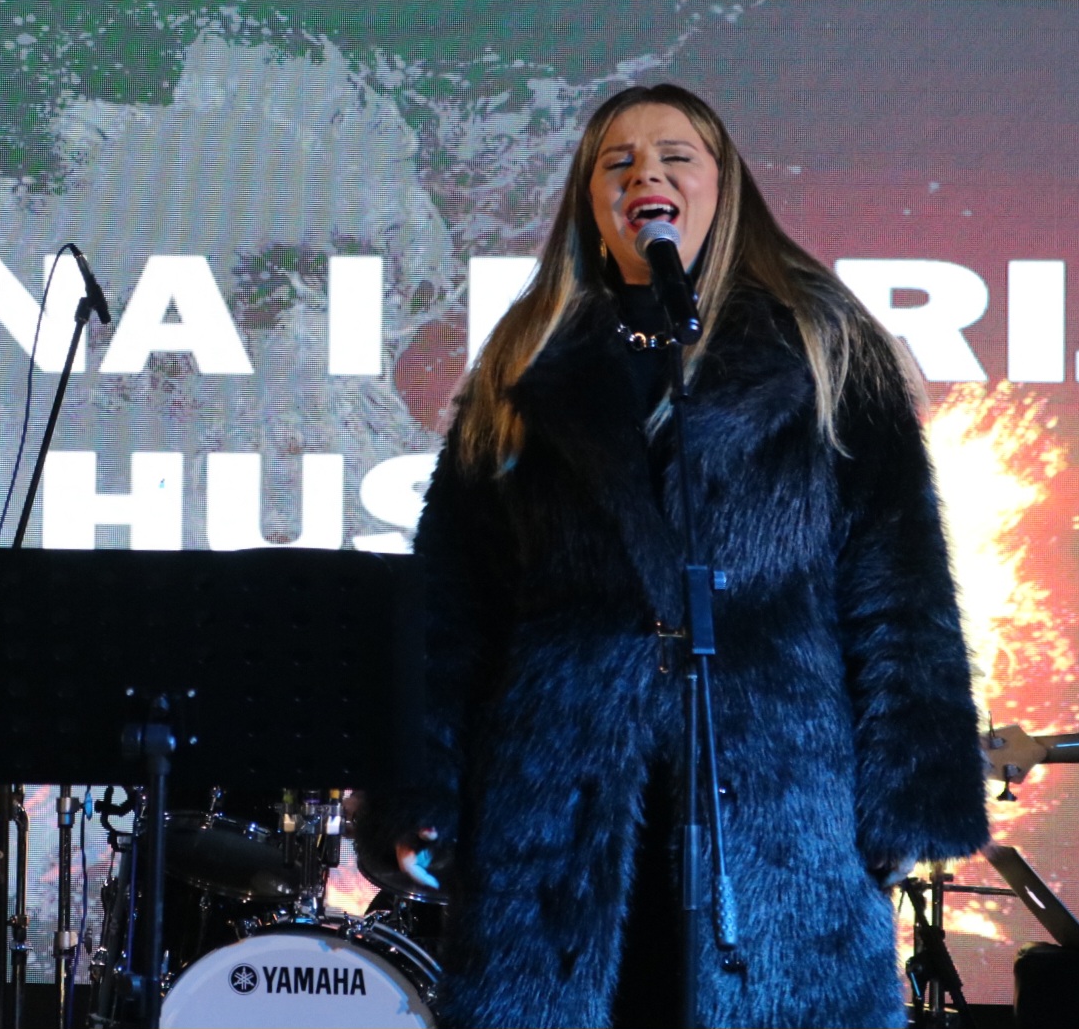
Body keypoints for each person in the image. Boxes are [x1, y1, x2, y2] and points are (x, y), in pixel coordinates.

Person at [375, 84, 989, 1028]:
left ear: (721, 185)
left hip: (779, 803)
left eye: (674, 156)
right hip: (559, 799)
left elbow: (899, 589)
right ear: (591, 201)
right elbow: (451, 601)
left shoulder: (824, 346)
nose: (644, 175)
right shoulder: (523, 363)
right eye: (615, 163)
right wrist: (420, 785)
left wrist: (911, 791)